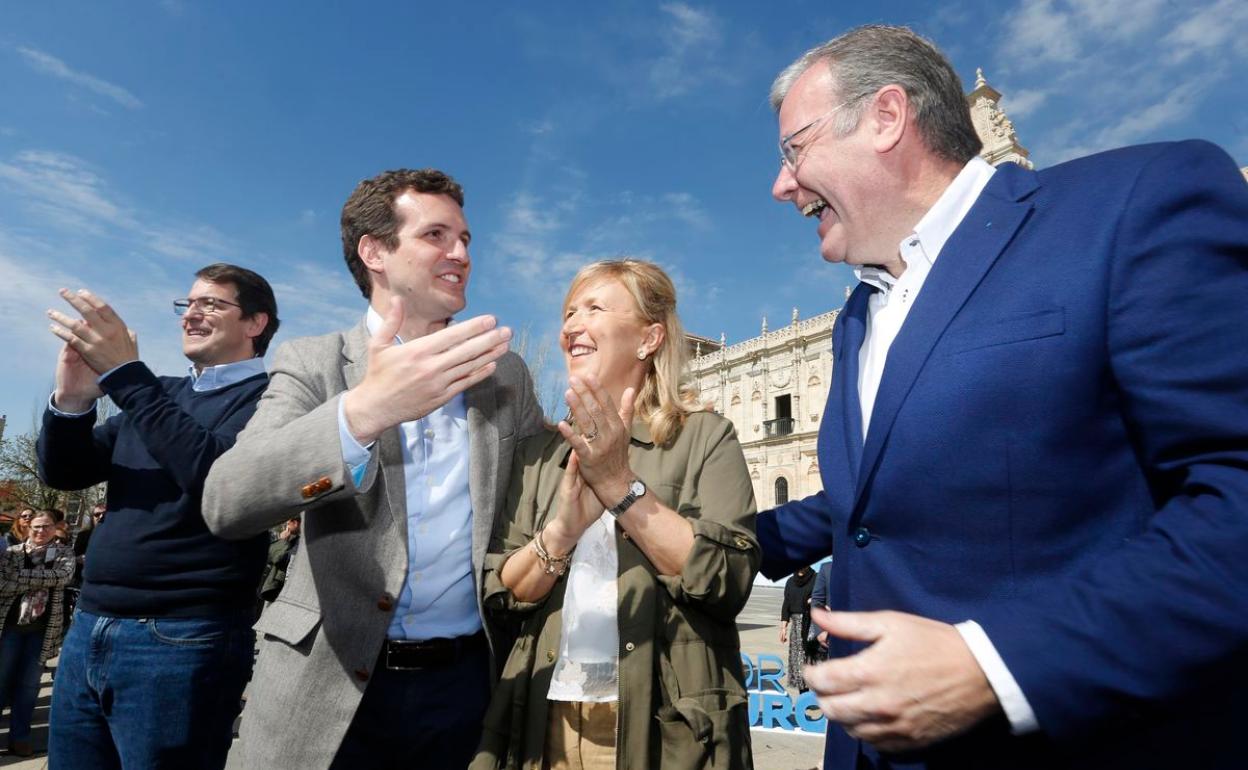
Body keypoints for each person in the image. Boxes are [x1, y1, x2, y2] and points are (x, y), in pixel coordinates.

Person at [755, 24, 1248, 770]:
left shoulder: (1134, 207)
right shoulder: (859, 315)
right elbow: (866, 506)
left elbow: (1233, 490)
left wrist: (998, 663)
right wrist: (705, 539)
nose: (781, 183)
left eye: (795, 150)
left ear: (887, 118)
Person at [202, 168, 544, 770]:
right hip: (327, 685)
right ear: (375, 251)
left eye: (466, 239)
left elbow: (550, 487)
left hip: (465, 690)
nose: (461, 253)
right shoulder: (315, 363)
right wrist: (362, 414)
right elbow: (228, 500)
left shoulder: (503, 372)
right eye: (437, 235)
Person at [472, 259, 758, 770]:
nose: (569, 326)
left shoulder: (705, 438)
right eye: (568, 312)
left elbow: (725, 578)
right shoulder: (539, 453)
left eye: (594, 308)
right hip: (545, 718)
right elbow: (500, 590)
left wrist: (619, 485)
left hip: (666, 729)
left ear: (649, 339)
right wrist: (560, 533)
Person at [37, 263, 279, 770]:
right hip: (88, 629)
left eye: (211, 304)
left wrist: (127, 376)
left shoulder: (273, 400)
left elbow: (214, 474)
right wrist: (74, 402)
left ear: (256, 323)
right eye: (186, 304)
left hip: (181, 640)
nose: (191, 314)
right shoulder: (160, 393)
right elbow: (66, 471)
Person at [0, 511, 75, 757]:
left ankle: (19, 738)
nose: (40, 531)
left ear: (55, 528)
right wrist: (45, 580)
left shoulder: (64, 552)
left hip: (42, 631)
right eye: (35, 527)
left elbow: (64, 576)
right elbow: (3, 584)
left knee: (29, 687)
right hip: (9, 628)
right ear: (27, 528)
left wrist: (22, 577)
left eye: (45, 527)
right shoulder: (12, 553)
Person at [779, 565, 815, 691]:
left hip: (811, 624)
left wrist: (813, 600)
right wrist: (783, 627)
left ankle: (814, 694)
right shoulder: (790, 581)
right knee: (797, 660)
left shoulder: (815, 578)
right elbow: (786, 604)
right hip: (795, 626)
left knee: (810, 659)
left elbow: (822, 597)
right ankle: (803, 693)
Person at [258, 517, 301, 605]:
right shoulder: (292, 541)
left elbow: (278, 558)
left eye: (288, 524)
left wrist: (283, 541)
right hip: (275, 588)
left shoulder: (297, 542)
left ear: (295, 523)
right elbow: (269, 555)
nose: (286, 527)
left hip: (282, 589)